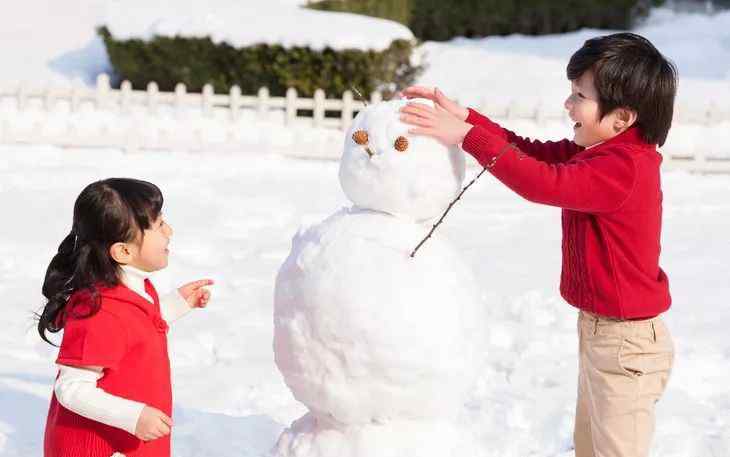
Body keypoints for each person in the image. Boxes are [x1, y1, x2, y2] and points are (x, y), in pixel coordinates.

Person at [399, 32, 676, 457]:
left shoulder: (623, 168)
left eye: (579, 95)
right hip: (606, 335)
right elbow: (532, 154)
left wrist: (466, 137)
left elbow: (541, 182)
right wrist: (469, 120)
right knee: (591, 448)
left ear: (621, 117)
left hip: (627, 345)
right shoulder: (603, 152)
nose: (568, 105)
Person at [39, 178, 213, 457]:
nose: (170, 231)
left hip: (128, 438)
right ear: (123, 251)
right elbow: (72, 388)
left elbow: (133, 330)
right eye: (158, 226)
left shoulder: (135, 289)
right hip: (102, 447)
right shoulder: (98, 311)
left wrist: (177, 303)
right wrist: (134, 417)